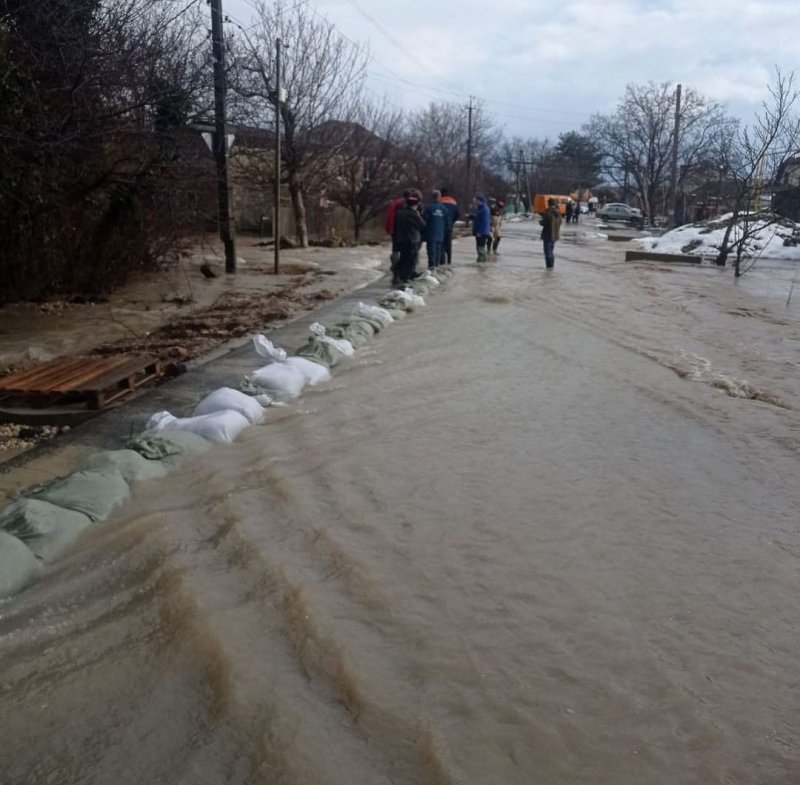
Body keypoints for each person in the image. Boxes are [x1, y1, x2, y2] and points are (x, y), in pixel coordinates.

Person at [392, 192, 425, 284]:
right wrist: (418, 214)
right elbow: (422, 225)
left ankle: (398, 273)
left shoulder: (399, 213)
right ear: (415, 205)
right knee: (411, 260)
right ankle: (405, 278)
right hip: (411, 240)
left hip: (400, 239)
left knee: (403, 258)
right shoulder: (413, 214)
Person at [422, 190, 449, 269]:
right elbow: (447, 223)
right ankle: (436, 267)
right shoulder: (444, 209)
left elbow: (424, 221)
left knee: (431, 251)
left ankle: (431, 267)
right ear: (440, 197)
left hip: (430, 233)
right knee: (438, 251)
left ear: (432, 197)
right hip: (440, 233)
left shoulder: (429, 208)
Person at [386, 190, 411, 277]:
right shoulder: (408, 204)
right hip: (405, 231)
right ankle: (400, 269)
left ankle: (395, 267)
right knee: (405, 251)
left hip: (395, 230)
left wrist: (389, 229)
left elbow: (389, 216)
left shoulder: (395, 203)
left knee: (395, 249)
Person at [540, 197, 562, 269]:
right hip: (555, 235)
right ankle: (551, 267)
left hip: (547, 234)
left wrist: (540, 222)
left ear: (548, 203)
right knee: (551, 252)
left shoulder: (548, 212)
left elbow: (544, 223)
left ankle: (548, 268)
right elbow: (560, 223)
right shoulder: (558, 213)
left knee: (547, 253)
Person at [440, 187, 459, 265]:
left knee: (441, 245)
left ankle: (442, 261)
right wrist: (452, 221)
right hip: (449, 226)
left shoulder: (440, 201)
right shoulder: (453, 202)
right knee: (449, 245)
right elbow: (457, 215)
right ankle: (449, 261)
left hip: (441, 226)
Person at [472, 194, 491, 262]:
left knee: (480, 248)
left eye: (476, 201)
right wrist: (472, 216)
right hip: (482, 231)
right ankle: (482, 261)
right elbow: (478, 218)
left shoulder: (484, 209)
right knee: (480, 248)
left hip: (481, 232)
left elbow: (484, 222)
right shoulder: (482, 209)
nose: (475, 202)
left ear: (480, 201)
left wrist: (479, 232)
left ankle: (482, 262)